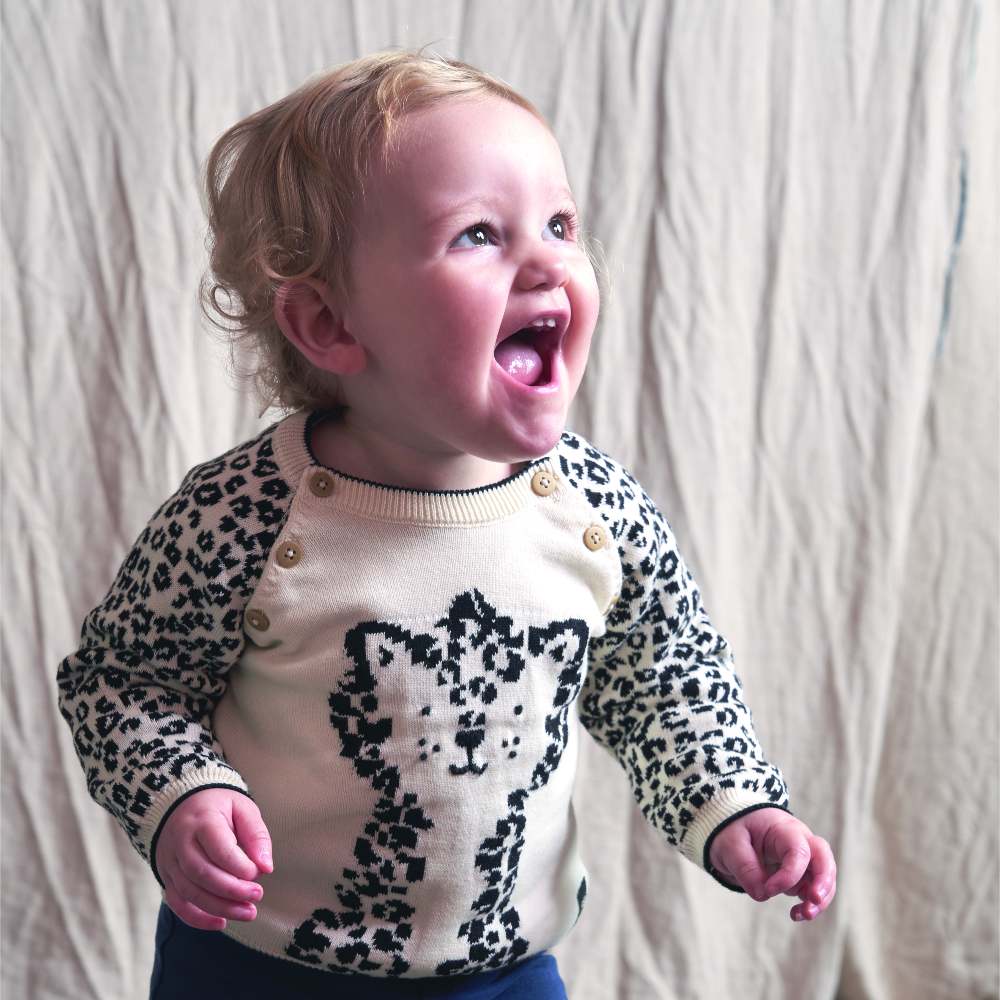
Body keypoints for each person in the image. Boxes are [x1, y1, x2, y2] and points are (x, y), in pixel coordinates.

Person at [57, 50, 837, 1000]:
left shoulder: (590, 512)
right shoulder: (246, 515)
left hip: (503, 973)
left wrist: (730, 805)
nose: (549, 260)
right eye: (478, 234)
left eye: (557, 224)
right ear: (330, 324)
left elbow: (664, 687)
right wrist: (182, 794)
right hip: (258, 966)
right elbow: (122, 685)